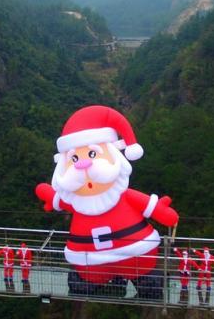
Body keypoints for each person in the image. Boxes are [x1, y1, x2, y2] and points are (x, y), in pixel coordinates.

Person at [34, 105, 178, 299]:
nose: (83, 164)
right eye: (75, 158)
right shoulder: (77, 200)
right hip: (95, 261)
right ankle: (97, 281)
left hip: (126, 254)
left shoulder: (121, 196)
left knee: (146, 280)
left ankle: (142, 282)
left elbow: (160, 213)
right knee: (88, 280)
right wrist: (49, 195)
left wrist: (162, 212)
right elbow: (52, 195)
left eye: (92, 154)